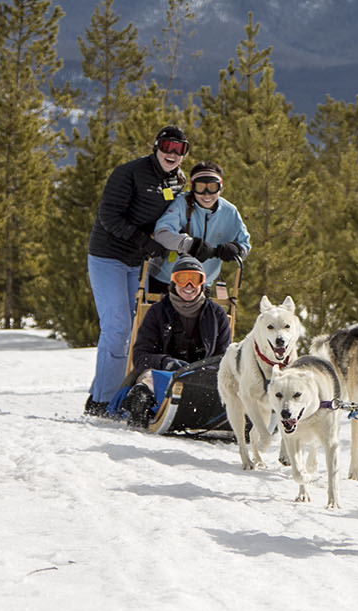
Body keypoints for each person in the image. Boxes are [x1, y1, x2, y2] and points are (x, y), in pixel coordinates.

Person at [85, 124, 190, 415]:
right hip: (108, 256)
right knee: (117, 327)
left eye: (180, 149)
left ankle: (106, 391)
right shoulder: (129, 173)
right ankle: (102, 402)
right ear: (156, 146)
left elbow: (177, 217)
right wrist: (143, 241)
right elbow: (108, 216)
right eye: (168, 146)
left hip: (139, 262)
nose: (172, 153)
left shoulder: (177, 181)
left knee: (135, 331)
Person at [120, 253, 232, 425]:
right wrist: (166, 362)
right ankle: (140, 404)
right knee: (149, 378)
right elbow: (140, 355)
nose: (189, 286)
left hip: (203, 377)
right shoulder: (157, 312)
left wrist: (202, 370)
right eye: (182, 279)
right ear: (173, 282)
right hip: (163, 373)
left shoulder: (217, 315)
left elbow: (224, 357)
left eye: (194, 279)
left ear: (202, 283)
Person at [150, 160, 251, 290]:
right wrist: (189, 245)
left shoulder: (229, 212)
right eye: (200, 187)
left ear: (221, 187)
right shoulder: (181, 204)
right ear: (192, 187)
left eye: (213, 187)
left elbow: (245, 244)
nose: (207, 194)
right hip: (168, 279)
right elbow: (162, 234)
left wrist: (236, 249)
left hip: (201, 283)